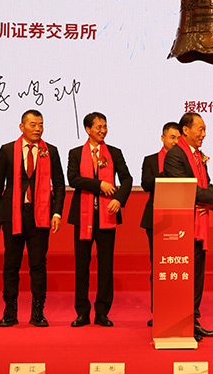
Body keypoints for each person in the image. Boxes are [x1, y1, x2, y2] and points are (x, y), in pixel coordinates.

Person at [163, 112, 213, 341]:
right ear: (185, 130)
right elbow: (184, 187)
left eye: (205, 129)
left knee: (196, 274)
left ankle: (193, 319)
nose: (204, 134)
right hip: (181, 226)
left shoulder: (198, 155)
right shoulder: (175, 155)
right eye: (200, 129)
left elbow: (206, 184)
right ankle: (181, 322)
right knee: (184, 275)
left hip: (197, 222)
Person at [0, 109, 65, 327]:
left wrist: (56, 212)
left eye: (41, 124)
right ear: (22, 127)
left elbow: (59, 184)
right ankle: (10, 312)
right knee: (11, 265)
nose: (38, 129)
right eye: (33, 124)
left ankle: (38, 312)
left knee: (38, 264)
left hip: (40, 215)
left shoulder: (50, 151)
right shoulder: (7, 150)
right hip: (12, 214)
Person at [67, 112, 133, 327]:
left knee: (105, 266)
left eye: (105, 126)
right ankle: (82, 312)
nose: (103, 131)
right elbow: (74, 179)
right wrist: (100, 185)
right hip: (82, 216)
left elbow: (127, 178)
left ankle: (102, 312)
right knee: (81, 266)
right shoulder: (76, 153)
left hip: (107, 215)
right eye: (98, 127)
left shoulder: (114, 152)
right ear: (88, 130)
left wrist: (119, 199)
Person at [140, 121, 181, 327]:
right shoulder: (150, 160)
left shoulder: (186, 159)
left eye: (178, 138)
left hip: (180, 218)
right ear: (163, 138)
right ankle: (158, 311)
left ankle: (178, 310)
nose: (175, 142)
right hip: (155, 217)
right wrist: (167, 172)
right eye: (172, 137)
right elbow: (146, 184)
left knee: (178, 265)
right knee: (158, 266)